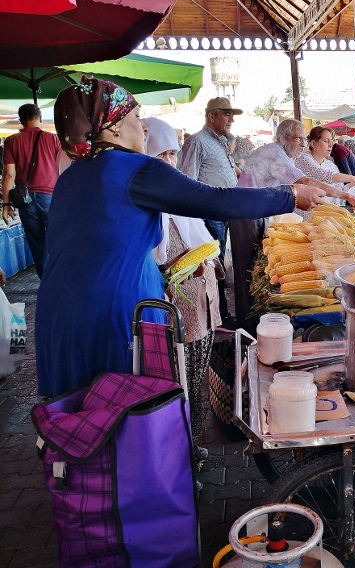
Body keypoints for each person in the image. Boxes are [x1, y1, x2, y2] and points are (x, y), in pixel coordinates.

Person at [36, 78, 325, 398]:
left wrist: (162, 274)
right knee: (126, 416)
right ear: (113, 126)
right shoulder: (136, 168)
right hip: (114, 315)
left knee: (78, 422)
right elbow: (216, 200)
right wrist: (289, 195)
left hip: (58, 315)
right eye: (135, 116)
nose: (144, 128)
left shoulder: (71, 177)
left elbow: (91, 250)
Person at [230, 119, 355, 334]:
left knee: (251, 270)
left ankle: (252, 327)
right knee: (249, 272)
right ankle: (249, 331)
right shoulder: (275, 155)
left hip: (253, 211)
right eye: (299, 138)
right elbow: (305, 183)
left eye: (304, 138)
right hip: (246, 213)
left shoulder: (279, 153)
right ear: (283, 138)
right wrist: (344, 194)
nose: (303, 143)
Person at [144, 117, 221, 444]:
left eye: (173, 155)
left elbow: (201, 240)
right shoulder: (148, 207)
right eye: (162, 156)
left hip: (201, 306)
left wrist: (211, 262)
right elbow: (152, 267)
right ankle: (179, 447)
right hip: (176, 313)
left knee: (199, 376)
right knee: (179, 380)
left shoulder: (180, 200)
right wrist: (175, 272)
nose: (170, 163)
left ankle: (194, 442)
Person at [180, 97, 242, 327]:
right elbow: (187, 181)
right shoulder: (197, 141)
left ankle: (223, 313)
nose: (231, 119)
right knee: (212, 266)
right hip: (209, 215)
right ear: (212, 116)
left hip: (226, 213)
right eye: (227, 114)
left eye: (232, 115)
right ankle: (219, 317)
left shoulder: (221, 141)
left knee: (223, 266)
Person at [2, 104, 62, 278]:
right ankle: (61, 281)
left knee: (37, 246)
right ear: (40, 117)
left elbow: (8, 175)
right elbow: (62, 170)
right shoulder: (53, 140)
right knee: (57, 241)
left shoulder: (12, 141)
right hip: (51, 198)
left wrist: (6, 204)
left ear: (21, 120)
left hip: (25, 201)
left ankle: (46, 283)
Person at [296, 127, 355, 204]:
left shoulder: (330, 164)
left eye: (332, 141)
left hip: (328, 211)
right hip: (308, 212)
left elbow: (341, 189)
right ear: (313, 144)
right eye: (326, 141)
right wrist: (354, 179)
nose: (330, 145)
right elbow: (324, 175)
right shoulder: (303, 158)